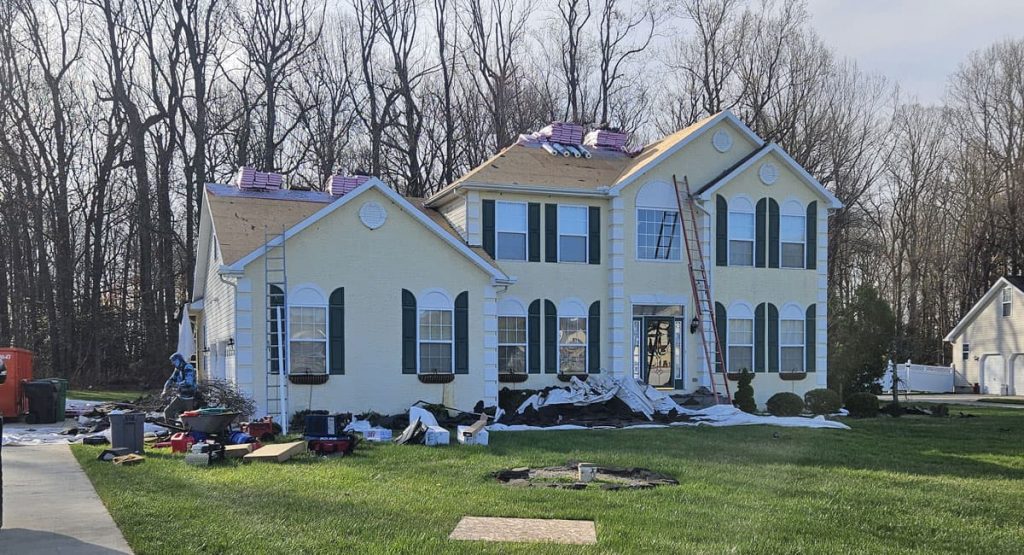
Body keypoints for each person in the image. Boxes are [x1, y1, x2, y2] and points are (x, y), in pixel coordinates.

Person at [163, 353, 198, 423]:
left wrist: (177, 385)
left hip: (190, 397)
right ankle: (172, 431)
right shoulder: (177, 370)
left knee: (189, 418)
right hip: (180, 396)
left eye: (174, 361)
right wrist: (165, 390)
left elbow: (189, 382)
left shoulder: (188, 367)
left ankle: (190, 432)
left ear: (179, 360)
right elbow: (171, 379)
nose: (173, 363)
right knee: (168, 411)